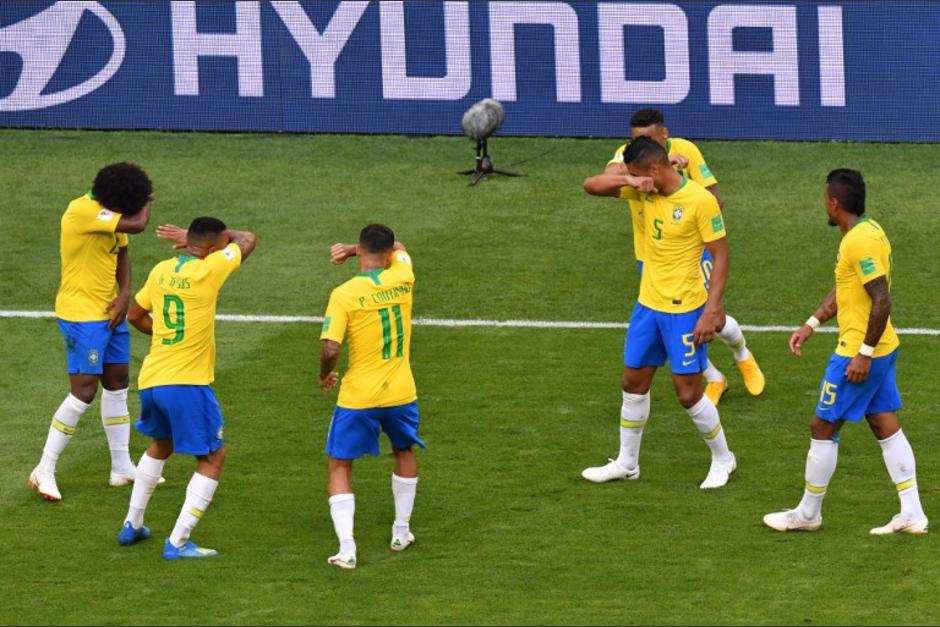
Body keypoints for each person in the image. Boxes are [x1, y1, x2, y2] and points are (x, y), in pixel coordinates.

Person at [764, 169, 927, 535]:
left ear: (834, 203)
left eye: (825, 198)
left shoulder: (859, 242)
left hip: (859, 351)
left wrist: (863, 354)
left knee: (822, 425)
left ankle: (807, 514)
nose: (824, 202)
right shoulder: (866, 232)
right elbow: (847, 287)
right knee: (883, 423)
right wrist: (812, 323)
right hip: (882, 347)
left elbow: (881, 299)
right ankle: (913, 513)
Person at [581, 137, 737, 489]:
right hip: (647, 306)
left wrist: (712, 310)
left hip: (685, 310)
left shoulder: (700, 200)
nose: (634, 178)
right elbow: (590, 185)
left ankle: (723, 459)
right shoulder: (642, 190)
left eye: (637, 172)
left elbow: (722, 255)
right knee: (632, 383)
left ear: (655, 167)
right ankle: (627, 462)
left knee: (688, 393)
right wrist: (628, 180)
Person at [593, 108, 764, 405]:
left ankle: (742, 354)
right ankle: (714, 378)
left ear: (664, 134)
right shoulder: (628, 154)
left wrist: (677, 181)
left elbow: (715, 198)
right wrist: (634, 178)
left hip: (690, 253)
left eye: (647, 139)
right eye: (636, 139)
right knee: (674, 327)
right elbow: (605, 178)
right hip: (649, 257)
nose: (640, 145)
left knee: (715, 317)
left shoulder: (688, 150)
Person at [115, 217, 257, 559]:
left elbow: (135, 315)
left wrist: (164, 332)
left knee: (161, 443)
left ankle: (132, 525)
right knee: (212, 456)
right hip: (188, 383)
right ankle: (177, 542)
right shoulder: (210, 269)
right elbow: (248, 238)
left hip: (153, 379)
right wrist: (212, 241)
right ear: (211, 249)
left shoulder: (162, 270)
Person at [29, 163, 154, 501]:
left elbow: (123, 253)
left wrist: (124, 294)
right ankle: (44, 468)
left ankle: (121, 467)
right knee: (84, 390)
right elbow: (139, 224)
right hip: (81, 316)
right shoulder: (82, 211)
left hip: (108, 311)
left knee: (117, 382)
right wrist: (148, 198)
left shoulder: (109, 212)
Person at [318, 224, 422, 570]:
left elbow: (331, 346)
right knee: (404, 450)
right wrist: (352, 248)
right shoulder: (403, 276)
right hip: (401, 391)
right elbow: (401, 246)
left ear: (362, 251)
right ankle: (400, 531)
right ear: (390, 251)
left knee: (339, 464)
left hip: (358, 396)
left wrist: (324, 373)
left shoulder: (344, 293)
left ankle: (347, 548)